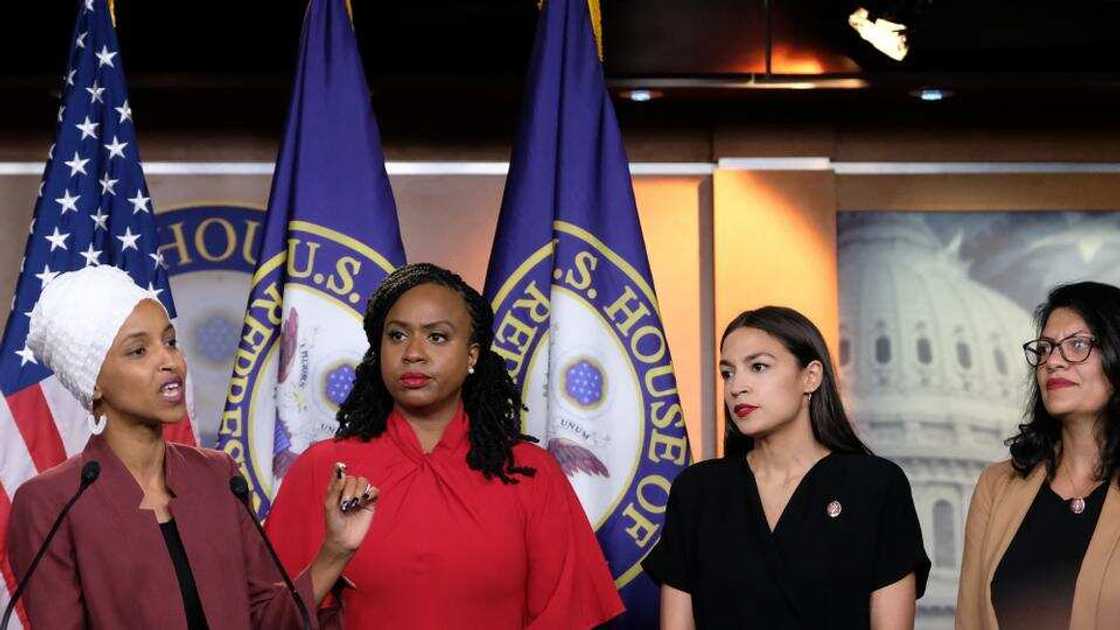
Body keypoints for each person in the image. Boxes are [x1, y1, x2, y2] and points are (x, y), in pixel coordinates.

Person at [8, 265, 375, 629]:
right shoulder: (49, 503)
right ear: (94, 382)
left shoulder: (218, 476)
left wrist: (335, 549)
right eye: (138, 351)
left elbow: (267, 620)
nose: (169, 360)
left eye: (169, 342)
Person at [264, 263, 624, 629]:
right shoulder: (325, 468)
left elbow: (566, 618)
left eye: (436, 337)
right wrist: (334, 552)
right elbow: (266, 621)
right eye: (397, 336)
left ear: (472, 355)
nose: (413, 353)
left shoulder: (530, 473)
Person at [642, 306, 929, 629]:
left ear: (811, 376)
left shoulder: (875, 485)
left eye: (758, 367)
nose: (737, 387)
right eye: (728, 373)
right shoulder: (697, 490)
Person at [956, 282, 1120, 629]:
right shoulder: (997, 486)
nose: (1053, 362)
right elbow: (969, 621)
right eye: (1045, 348)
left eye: (1077, 345)